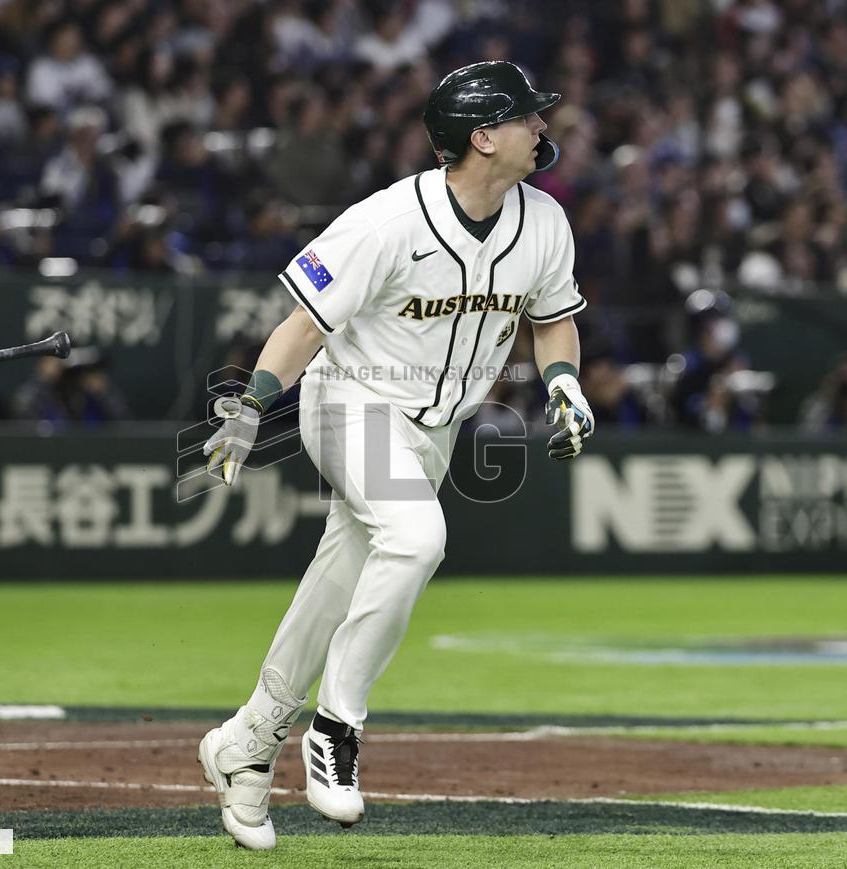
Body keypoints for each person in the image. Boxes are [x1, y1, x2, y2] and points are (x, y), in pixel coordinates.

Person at [197, 61, 595, 851]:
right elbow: (304, 325)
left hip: (436, 429)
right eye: (526, 116)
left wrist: (564, 382)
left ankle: (247, 740)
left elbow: (552, 318)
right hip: (350, 404)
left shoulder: (544, 220)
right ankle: (336, 729)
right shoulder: (385, 222)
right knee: (416, 538)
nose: (541, 126)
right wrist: (250, 407)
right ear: (483, 137)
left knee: (339, 581)